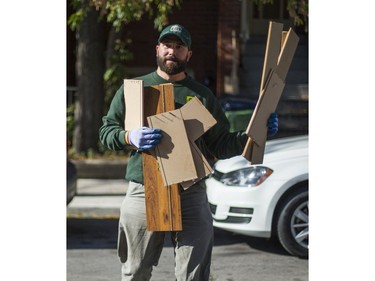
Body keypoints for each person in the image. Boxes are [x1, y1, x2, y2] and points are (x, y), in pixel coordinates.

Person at [99, 24, 278, 281]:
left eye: (179, 46)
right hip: (144, 187)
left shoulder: (202, 96)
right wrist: (129, 136)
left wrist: (255, 135)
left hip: (191, 192)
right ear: (157, 49)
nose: (172, 51)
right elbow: (106, 132)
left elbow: (220, 144)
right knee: (135, 271)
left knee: (193, 274)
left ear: (188, 54)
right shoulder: (135, 89)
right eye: (168, 45)